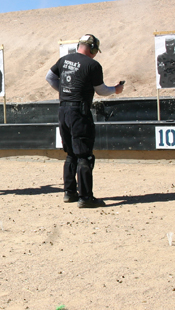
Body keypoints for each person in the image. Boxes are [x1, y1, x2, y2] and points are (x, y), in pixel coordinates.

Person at [46, 34, 124, 208]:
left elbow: (49, 77)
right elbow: (101, 91)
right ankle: (86, 197)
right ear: (92, 49)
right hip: (79, 112)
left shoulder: (64, 60)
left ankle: (69, 192)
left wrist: (65, 91)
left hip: (63, 109)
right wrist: (115, 90)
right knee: (84, 155)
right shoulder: (93, 65)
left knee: (71, 153)